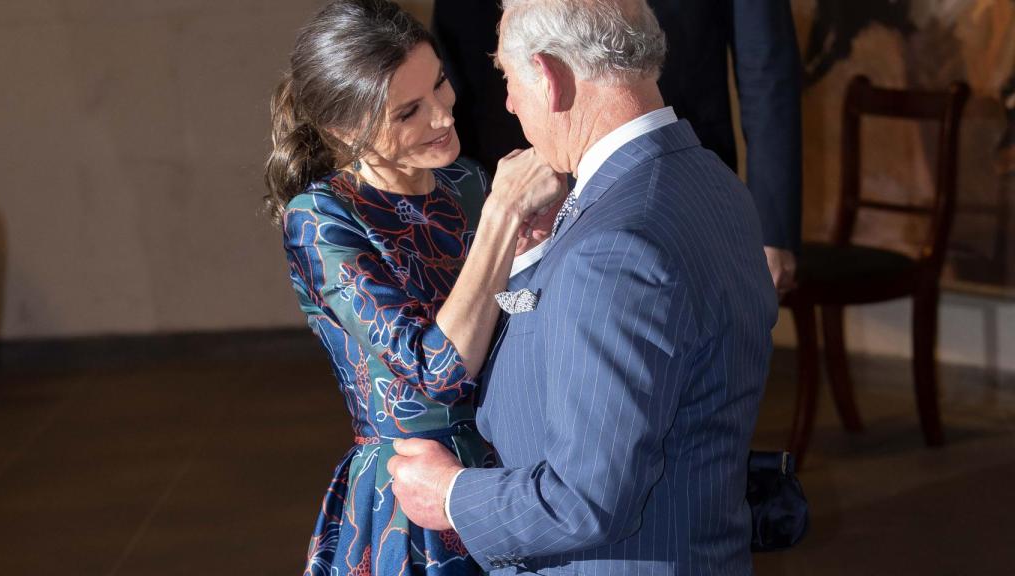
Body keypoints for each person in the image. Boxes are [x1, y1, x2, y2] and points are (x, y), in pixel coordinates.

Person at [388, 1, 779, 574]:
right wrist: (542, 255)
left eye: (507, 78)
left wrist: (449, 496)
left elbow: (583, 502)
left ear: (548, 76)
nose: (509, 102)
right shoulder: (712, 183)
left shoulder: (614, 246)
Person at [263, 1, 564, 574]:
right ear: (342, 129)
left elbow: (511, 318)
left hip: (513, 473)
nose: (444, 117)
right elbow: (439, 374)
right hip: (415, 495)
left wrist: (534, 256)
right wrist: (502, 218)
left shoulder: (466, 181)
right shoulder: (320, 217)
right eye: (409, 112)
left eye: (442, 84)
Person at [432, 0, 803, 295]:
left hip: (673, 187)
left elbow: (766, 65)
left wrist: (771, 226)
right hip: (514, 177)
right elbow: (458, 43)